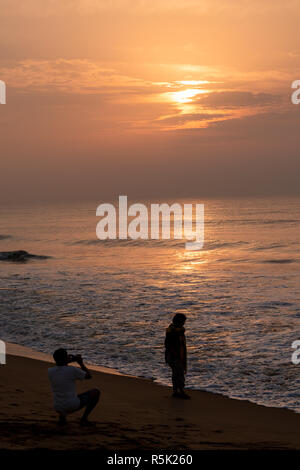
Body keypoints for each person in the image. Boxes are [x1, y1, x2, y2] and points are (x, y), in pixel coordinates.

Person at [48, 348, 100, 426]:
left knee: (64, 394)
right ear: (65, 358)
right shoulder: (72, 370)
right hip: (71, 405)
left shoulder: (50, 371)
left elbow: (61, 367)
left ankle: (62, 416)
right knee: (96, 392)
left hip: (57, 406)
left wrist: (68, 361)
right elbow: (89, 376)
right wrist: (80, 363)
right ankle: (84, 419)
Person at [165, 313, 190, 399]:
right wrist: (176, 355)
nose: (184, 323)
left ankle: (176, 391)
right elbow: (168, 345)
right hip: (174, 357)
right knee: (179, 374)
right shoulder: (172, 331)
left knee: (177, 374)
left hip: (177, 356)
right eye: (183, 321)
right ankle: (180, 391)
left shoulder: (179, 330)